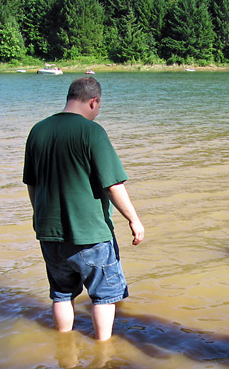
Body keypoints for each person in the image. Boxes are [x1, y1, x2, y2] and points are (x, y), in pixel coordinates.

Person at [23, 76, 144, 341]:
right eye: (98, 106)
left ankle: (64, 347)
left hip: (49, 232)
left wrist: (38, 216)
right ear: (93, 101)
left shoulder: (38, 131)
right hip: (90, 234)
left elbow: (32, 183)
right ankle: (103, 352)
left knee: (61, 293)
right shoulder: (92, 132)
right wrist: (134, 219)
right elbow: (112, 184)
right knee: (104, 296)